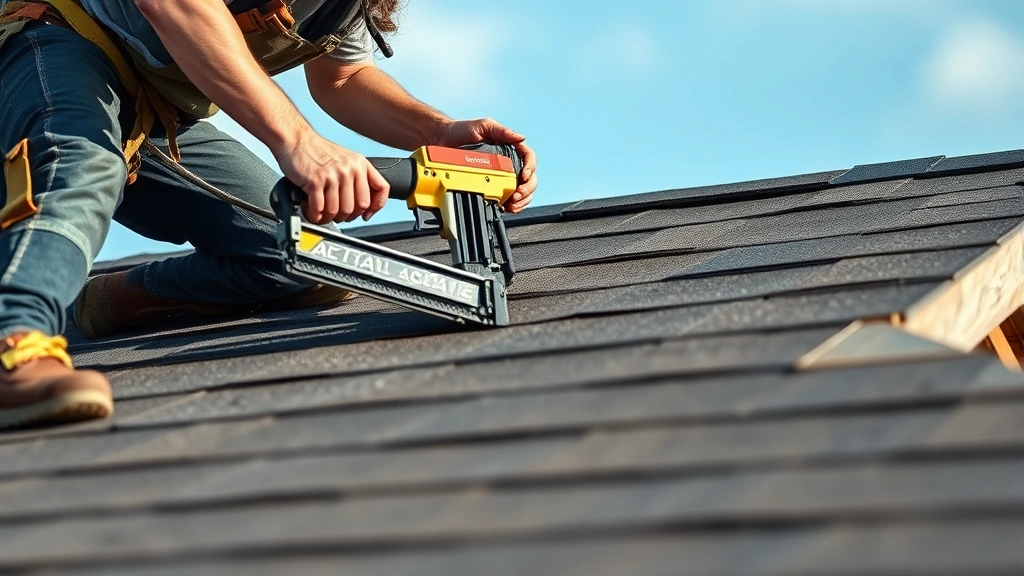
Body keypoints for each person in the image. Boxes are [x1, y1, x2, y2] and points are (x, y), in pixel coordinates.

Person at [0, 0, 538, 430]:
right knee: (77, 163)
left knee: (284, 249)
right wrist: (299, 141)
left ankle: (91, 303)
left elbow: (343, 77)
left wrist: (439, 135)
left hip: (150, 105)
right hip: (46, 39)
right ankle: (16, 346)